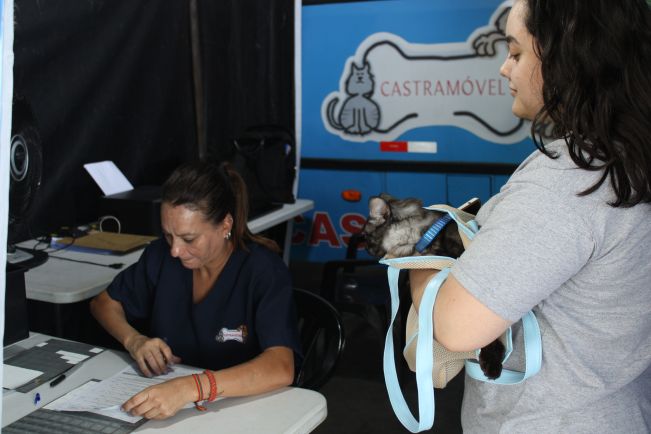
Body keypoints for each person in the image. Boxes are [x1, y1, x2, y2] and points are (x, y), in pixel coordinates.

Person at [410, 0, 651, 432]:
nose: (505, 69)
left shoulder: (568, 181)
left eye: (516, 52)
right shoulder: (629, 160)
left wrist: (421, 254)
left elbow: (455, 326)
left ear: (570, 59)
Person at [90, 160, 301, 420]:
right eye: (168, 235)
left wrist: (191, 388)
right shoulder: (160, 257)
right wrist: (134, 340)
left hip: (243, 411)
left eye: (189, 239)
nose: (175, 250)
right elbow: (104, 303)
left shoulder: (263, 272)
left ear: (225, 225)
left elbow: (281, 366)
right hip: (174, 408)